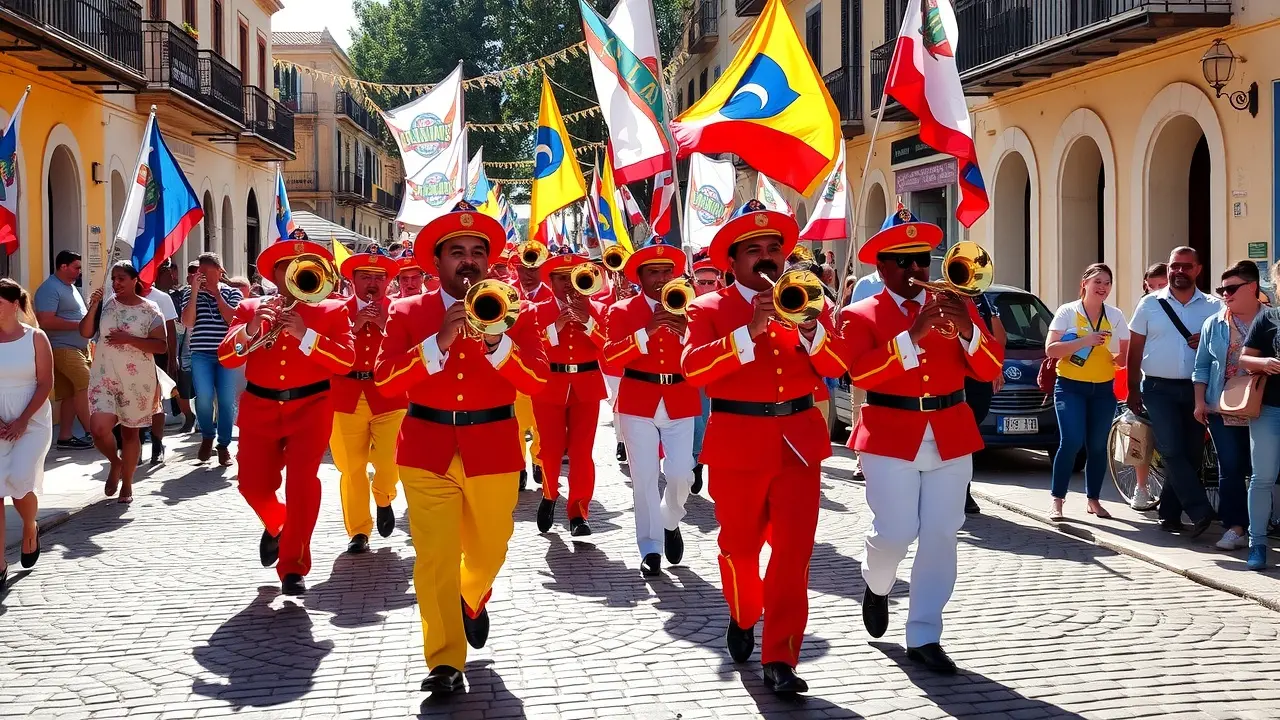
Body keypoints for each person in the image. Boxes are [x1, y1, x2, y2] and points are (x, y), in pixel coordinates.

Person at [373, 201, 548, 694]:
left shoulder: (520, 312)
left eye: (477, 252)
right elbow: (386, 381)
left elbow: (536, 381)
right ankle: (445, 661)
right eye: (457, 252)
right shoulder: (408, 311)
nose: (468, 261)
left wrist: (499, 344)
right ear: (438, 261)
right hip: (425, 449)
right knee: (434, 560)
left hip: (492, 447)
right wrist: (436, 344)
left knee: (491, 550)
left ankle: (471, 597)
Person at [681, 200, 850, 694]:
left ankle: (781, 657)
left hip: (798, 442)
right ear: (731, 262)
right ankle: (743, 612)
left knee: (793, 556)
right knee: (738, 548)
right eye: (753, 250)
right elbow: (694, 370)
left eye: (773, 249)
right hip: (737, 444)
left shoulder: (808, 302)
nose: (766, 258)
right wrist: (748, 333)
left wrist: (813, 329)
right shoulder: (708, 307)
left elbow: (838, 367)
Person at [840, 205, 1004, 675]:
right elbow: (860, 372)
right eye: (904, 260)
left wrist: (970, 328)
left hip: (950, 431)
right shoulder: (860, 314)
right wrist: (913, 334)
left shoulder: (959, 305)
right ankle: (877, 582)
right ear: (882, 266)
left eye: (922, 260)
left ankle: (925, 633)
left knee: (940, 534)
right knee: (896, 531)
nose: (917, 270)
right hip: (891, 433)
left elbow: (990, 370)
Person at [218, 241, 355, 596]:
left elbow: (344, 361)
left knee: (302, 485)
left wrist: (306, 334)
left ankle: (293, 566)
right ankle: (278, 524)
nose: (294, 272)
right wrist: (251, 329)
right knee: (251, 484)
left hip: (311, 406)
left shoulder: (332, 310)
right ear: (274, 275)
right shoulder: (250, 307)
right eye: (286, 266)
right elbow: (227, 357)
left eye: (302, 265)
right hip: (260, 407)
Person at [603, 236, 699, 577]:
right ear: (639, 278)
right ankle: (650, 546)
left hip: (679, 398)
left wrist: (687, 331)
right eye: (653, 272)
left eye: (666, 271)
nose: (660, 278)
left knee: (680, 473)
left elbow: (703, 352)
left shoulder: (691, 306)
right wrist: (646, 331)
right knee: (643, 478)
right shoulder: (621, 310)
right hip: (638, 400)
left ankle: (670, 518)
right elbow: (610, 357)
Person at [1126, 247, 1220, 536]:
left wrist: (1205, 343)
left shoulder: (1214, 306)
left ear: (1198, 269)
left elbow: (1225, 348)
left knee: (1190, 454)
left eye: (1186, 266)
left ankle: (1168, 514)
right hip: (1157, 387)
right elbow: (1135, 349)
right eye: (1174, 266)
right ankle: (1200, 509)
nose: (1179, 271)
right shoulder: (1149, 304)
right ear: (1168, 269)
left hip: (1197, 389)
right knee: (1170, 449)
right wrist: (1132, 389)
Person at [330, 250, 406, 554]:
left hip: (388, 394)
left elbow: (410, 347)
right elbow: (324, 350)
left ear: (388, 281)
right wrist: (353, 326)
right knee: (351, 467)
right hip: (345, 395)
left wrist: (388, 325)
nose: (372, 284)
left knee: (390, 461)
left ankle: (384, 495)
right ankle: (359, 530)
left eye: (378, 278)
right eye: (365, 277)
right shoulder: (335, 310)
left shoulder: (400, 311)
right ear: (352, 280)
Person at [531, 248, 609, 536]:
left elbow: (608, 348)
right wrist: (557, 327)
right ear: (550, 281)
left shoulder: (597, 309)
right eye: (560, 278)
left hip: (586, 387)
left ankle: (579, 511)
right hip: (550, 385)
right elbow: (531, 347)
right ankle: (550, 495)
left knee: (581, 453)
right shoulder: (537, 310)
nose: (566, 284)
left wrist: (587, 323)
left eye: (571, 277)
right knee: (550, 450)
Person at [1045, 264, 1129, 521]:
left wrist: (1118, 357)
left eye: (1107, 283)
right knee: (1071, 441)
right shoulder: (1067, 312)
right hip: (1070, 386)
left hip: (1103, 389)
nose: (1102, 287)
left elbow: (1124, 357)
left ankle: (1093, 500)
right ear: (1085, 283)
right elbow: (1051, 350)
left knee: (1096, 445)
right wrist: (1085, 341)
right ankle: (1057, 500)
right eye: (1098, 282)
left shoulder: (1115, 315)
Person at [81, 262, 168, 504]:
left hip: (137, 380)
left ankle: (127, 482)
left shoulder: (151, 310)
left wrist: (129, 339)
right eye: (114, 279)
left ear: (134, 280)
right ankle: (115, 462)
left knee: (131, 434)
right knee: (98, 429)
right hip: (104, 376)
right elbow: (85, 332)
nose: (116, 283)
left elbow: (161, 345)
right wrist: (93, 306)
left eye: (121, 278)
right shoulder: (106, 304)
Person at [1193, 261, 1261, 553]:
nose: (1225, 295)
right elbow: (1202, 366)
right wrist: (1199, 401)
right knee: (1230, 467)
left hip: (1264, 407)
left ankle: (1260, 525)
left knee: (1262, 469)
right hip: (1223, 407)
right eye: (1222, 289)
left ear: (1252, 288)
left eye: (1231, 289)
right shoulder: (1214, 323)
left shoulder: (1271, 320)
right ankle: (1235, 527)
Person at [0, 279, 53, 586]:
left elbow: (45, 383)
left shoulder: (36, 338)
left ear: (15, 305)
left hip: (31, 420)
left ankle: (29, 527)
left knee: (20, 479)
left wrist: (21, 421)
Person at [1236, 262, 1280, 571]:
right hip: (1270, 409)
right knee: (1263, 477)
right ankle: (1258, 544)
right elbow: (1244, 359)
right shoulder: (1268, 317)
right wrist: (1264, 361)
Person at [180, 252, 243, 465]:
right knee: (204, 397)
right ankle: (207, 435)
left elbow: (234, 319)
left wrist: (217, 295)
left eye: (207, 272)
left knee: (225, 401)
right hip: (201, 354)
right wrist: (196, 292)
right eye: (200, 272)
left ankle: (223, 445)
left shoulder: (233, 293)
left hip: (226, 355)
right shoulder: (190, 293)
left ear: (220, 272)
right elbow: (187, 322)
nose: (203, 276)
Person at [33, 250, 93, 450]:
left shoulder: (71, 287)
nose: (79, 271)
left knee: (69, 393)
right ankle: (94, 433)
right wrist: (80, 325)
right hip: (62, 349)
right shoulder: (50, 288)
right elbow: (45, 320)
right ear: (63, 266)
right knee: (86, 386)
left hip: (79, 348)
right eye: (76, 267)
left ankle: (65, 437)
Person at [511, 249, 548, 489]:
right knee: (515, 423)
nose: (527, 274)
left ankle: (538, 460)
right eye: (523, 269)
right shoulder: (506, 293)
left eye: (533, 269)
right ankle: (517, 467)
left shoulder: (552, 293)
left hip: (543, 369)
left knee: (541, 424)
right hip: (515, 367)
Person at [689, 255, 723, 494]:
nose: (707, 287)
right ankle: (696, 462)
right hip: (696, 370)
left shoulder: (723, 303)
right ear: (693, 281)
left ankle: (704, 460)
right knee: (698, 419)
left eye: (711, 282)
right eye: (702, 281)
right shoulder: (682, 300)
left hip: (721, 369)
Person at [142, 275, 179, 465]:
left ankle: (157, 444)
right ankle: (135, 445)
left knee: (155, 402)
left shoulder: (161, 298)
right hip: (128, 358)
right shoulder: (116, 299)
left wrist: (173, 359)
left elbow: (170, 330)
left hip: (156, 356)